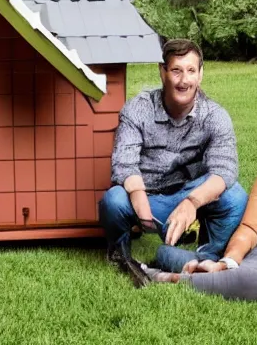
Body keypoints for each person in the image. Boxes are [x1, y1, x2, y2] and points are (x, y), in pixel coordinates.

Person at [131, 96, 257, 301]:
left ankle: (165, 273)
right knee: (238, 275)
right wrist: (228, 261)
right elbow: (250, 229)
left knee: (252, 281)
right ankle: (165, 270)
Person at [99, 38, 248, 275]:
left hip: (190, 191)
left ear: (200, 74)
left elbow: (225, 170)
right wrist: (138, 197)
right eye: (176, 70)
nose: (184, 80)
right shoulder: (138, 108)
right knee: (113, 201)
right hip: (147, 193)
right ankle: (120, 254)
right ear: (162, 72)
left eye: (191, 71)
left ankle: (206, 255)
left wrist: (192, 202)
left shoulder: (216, 116)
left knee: (236, 196)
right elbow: (124, 164)